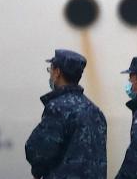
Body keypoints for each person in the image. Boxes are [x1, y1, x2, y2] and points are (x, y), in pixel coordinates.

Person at [25, 49, 107, 178]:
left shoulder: (57, 108)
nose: (50, 73)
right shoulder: (95, 111)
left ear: (57, 72)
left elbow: (37, 151)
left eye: (50, 69)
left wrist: (38, 169)